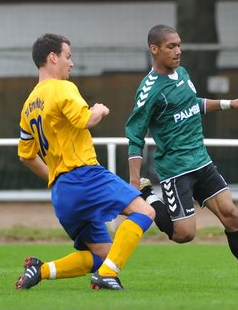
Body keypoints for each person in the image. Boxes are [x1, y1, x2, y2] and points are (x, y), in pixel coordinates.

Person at [126, 24, 238, 291]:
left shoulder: (182, 74)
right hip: (176, 169)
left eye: (179, 45)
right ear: (154, 49)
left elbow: (192, 105)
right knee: (184, 234)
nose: (178, 51)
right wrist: (134, 181)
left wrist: (228, 103)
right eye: (171, 46)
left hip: (201, 161)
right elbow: (135, 135)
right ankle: (148, 195)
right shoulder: (149, 90)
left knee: (232, 215)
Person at [16, 33, 155, 291]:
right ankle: (107, 276)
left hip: (62, 193)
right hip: (85, 176)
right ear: (53, 57)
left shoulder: (28, 106)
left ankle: (41, 270)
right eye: (68, 56)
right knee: (145, 211)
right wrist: (98, 110)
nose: (71, 63)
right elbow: (86, 120)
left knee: (104, 254)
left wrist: (55, 177)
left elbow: (25, 155)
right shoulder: (62, 88)